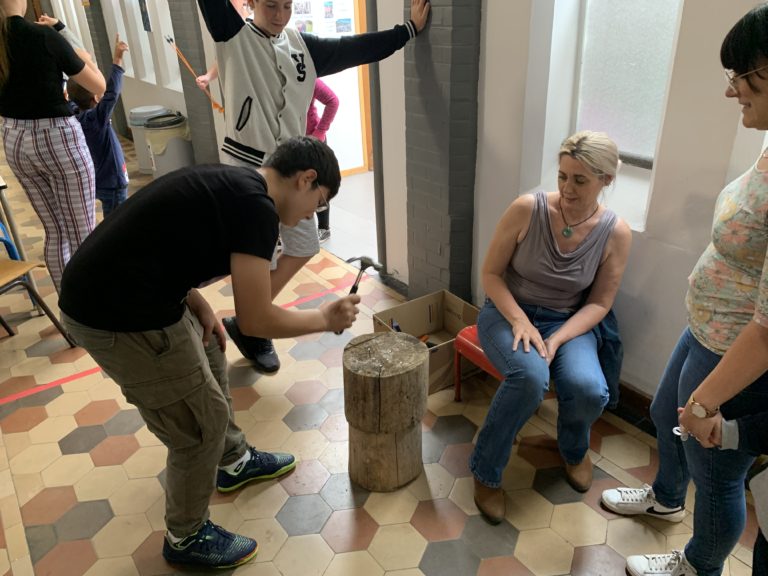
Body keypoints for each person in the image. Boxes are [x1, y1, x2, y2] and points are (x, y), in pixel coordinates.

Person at [58, 137, 360, 569]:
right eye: (319, 200)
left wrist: (195, 300)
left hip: (134, 290)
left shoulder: (239, 184)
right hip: (114, 313)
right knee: (199, 426)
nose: (313, 212)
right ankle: (185, 536)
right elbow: (254, 320)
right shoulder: (257, 209)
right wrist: (325, 318)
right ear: (305, 179)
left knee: (211, 346)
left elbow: (162, 245)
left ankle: (234, 460)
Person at [601, 5, 768, 575]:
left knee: (716, 472)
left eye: (742, 76)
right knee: (663, 413)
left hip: (738, 353)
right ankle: (667, 498)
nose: (730, 91)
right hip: (707, 330)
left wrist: (704, 404)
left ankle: (700, 565)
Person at [197, 0, 430, 374]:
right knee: (261, 254)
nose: (279, 15)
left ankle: (248, 321)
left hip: (290, 172)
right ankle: (256, 326)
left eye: (287, 5)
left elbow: (355, 48)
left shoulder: (300, 45)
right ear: (251, 2)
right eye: (271, 5)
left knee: (305, 243)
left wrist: (407, 31)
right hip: (248, 171)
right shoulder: (232, 34)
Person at [470, 131, 632, 524]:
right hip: (508, 312)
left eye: (580, 180)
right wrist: (520, 320)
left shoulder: (615, 233)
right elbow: (491, 275)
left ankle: (573, 450)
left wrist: (557, 338)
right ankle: (486, 471)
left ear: (606, 180)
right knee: (529, 377)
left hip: (567, 321)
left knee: (589, 388)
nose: (567, 188)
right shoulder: (527, 209)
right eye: (562, 176)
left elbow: (599, 303)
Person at [0, 0, 105, 293]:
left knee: (56, 233)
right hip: (58, 138)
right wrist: (67, 38)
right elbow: (98, 86)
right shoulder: (42, 35)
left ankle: (69, 307)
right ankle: (93, 310)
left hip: (13, 138)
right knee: (84, 233)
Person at [67, 33, 130, 218]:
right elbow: (112, 93)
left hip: (97, 180)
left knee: (112, 220)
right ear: (96, 98)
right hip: (113, 180)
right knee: (118, 221)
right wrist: (117, 60)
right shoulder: (96, 118)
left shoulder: (73, 115)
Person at [306, 78, 339, 243]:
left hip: (314, 140)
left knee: (318, 185)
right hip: (292, 141)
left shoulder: (309, 78)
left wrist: (319, 132)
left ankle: (324, 228)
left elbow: (333, 101)